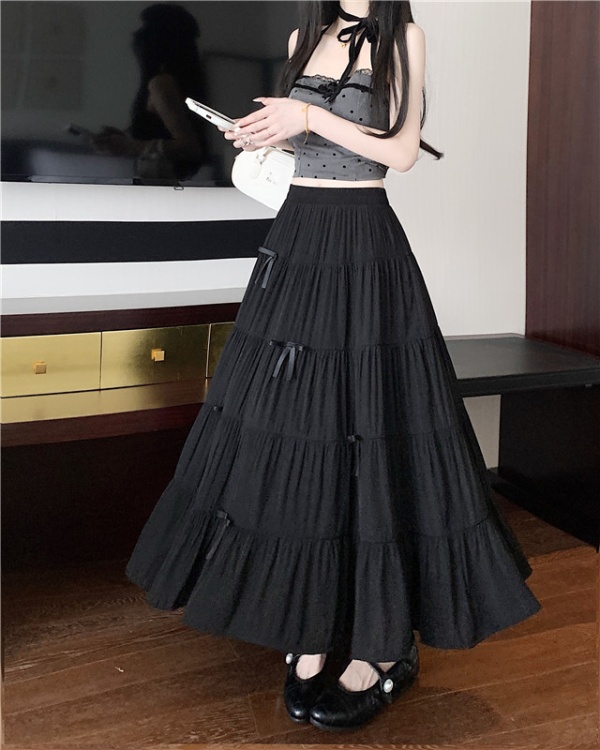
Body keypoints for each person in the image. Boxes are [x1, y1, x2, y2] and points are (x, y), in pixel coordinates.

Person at [125, 0, 542, 733]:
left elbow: (402, 152)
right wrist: (267, 131)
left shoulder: (404, 37)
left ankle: (384, 646)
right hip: (299, 235)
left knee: (371, 420)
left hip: (363, 235)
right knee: (296, 423)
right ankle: (310, 623)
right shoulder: (303, 36)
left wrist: (308, 115)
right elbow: (305, 145)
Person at [93, 3, 207, 183]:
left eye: (145, 30)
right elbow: (163, 135)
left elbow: (189, 148)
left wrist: (129, 145)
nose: (136, 36)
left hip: (162, 185)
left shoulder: (161, 84)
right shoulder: (184, 81)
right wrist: (124, 140)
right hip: (164, 186)